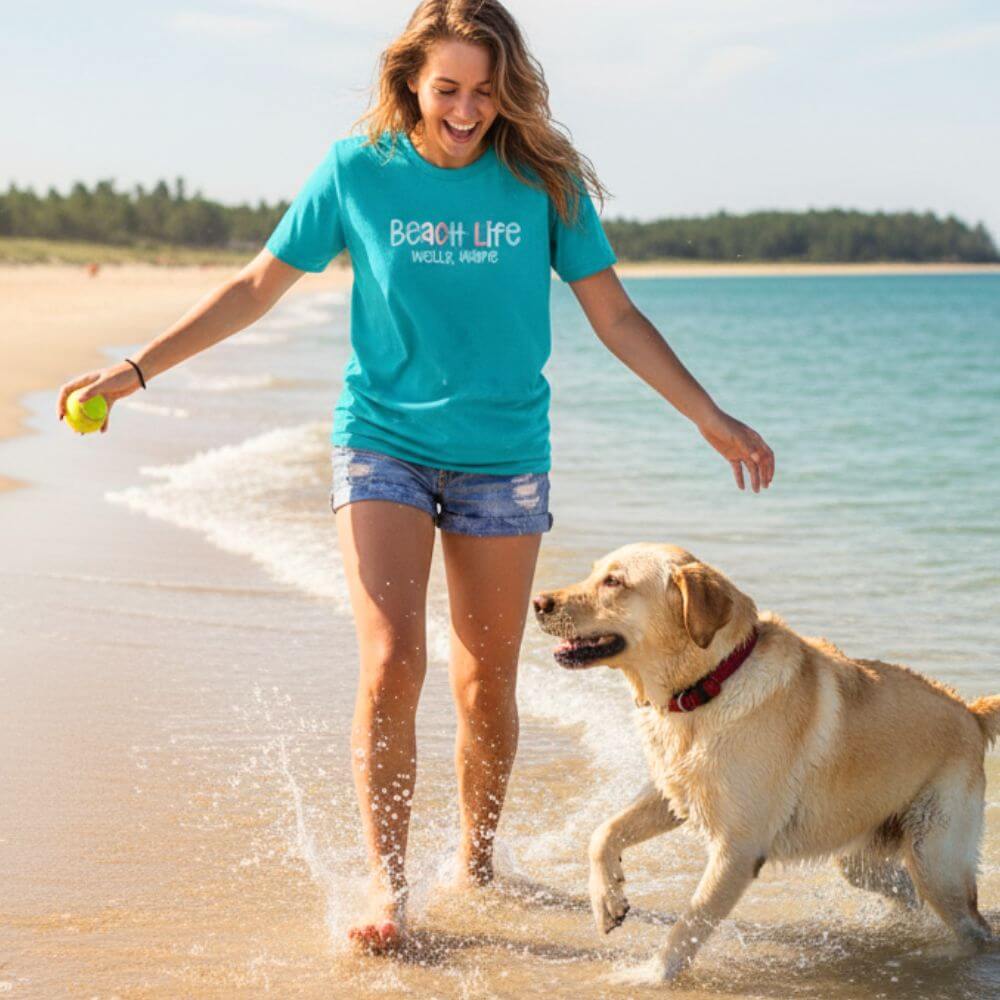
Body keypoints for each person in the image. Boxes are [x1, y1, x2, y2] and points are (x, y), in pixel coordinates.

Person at [57, 0, 774, 956]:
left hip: (504, 459)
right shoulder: (357, 171)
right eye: (448, 90)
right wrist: (136, 369)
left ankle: (476, 865)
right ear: (410, 84)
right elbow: (255, 286)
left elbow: (617, 317)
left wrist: (708, 415)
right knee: (394, 661)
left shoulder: (544, 183)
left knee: (487, 680)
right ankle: (387, 889)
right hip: (382, 443)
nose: (467, 109)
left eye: (486, 90)